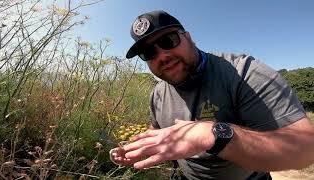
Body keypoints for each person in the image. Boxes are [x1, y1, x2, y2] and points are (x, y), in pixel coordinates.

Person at [109, 10, 314, 180]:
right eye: (148, 52)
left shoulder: (244, 73)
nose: (162, 55)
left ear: (188, 37)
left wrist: (214, 134)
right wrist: (134, 149)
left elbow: (305, 149)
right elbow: (156, 131)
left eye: (168, 40)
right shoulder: (158, 94)